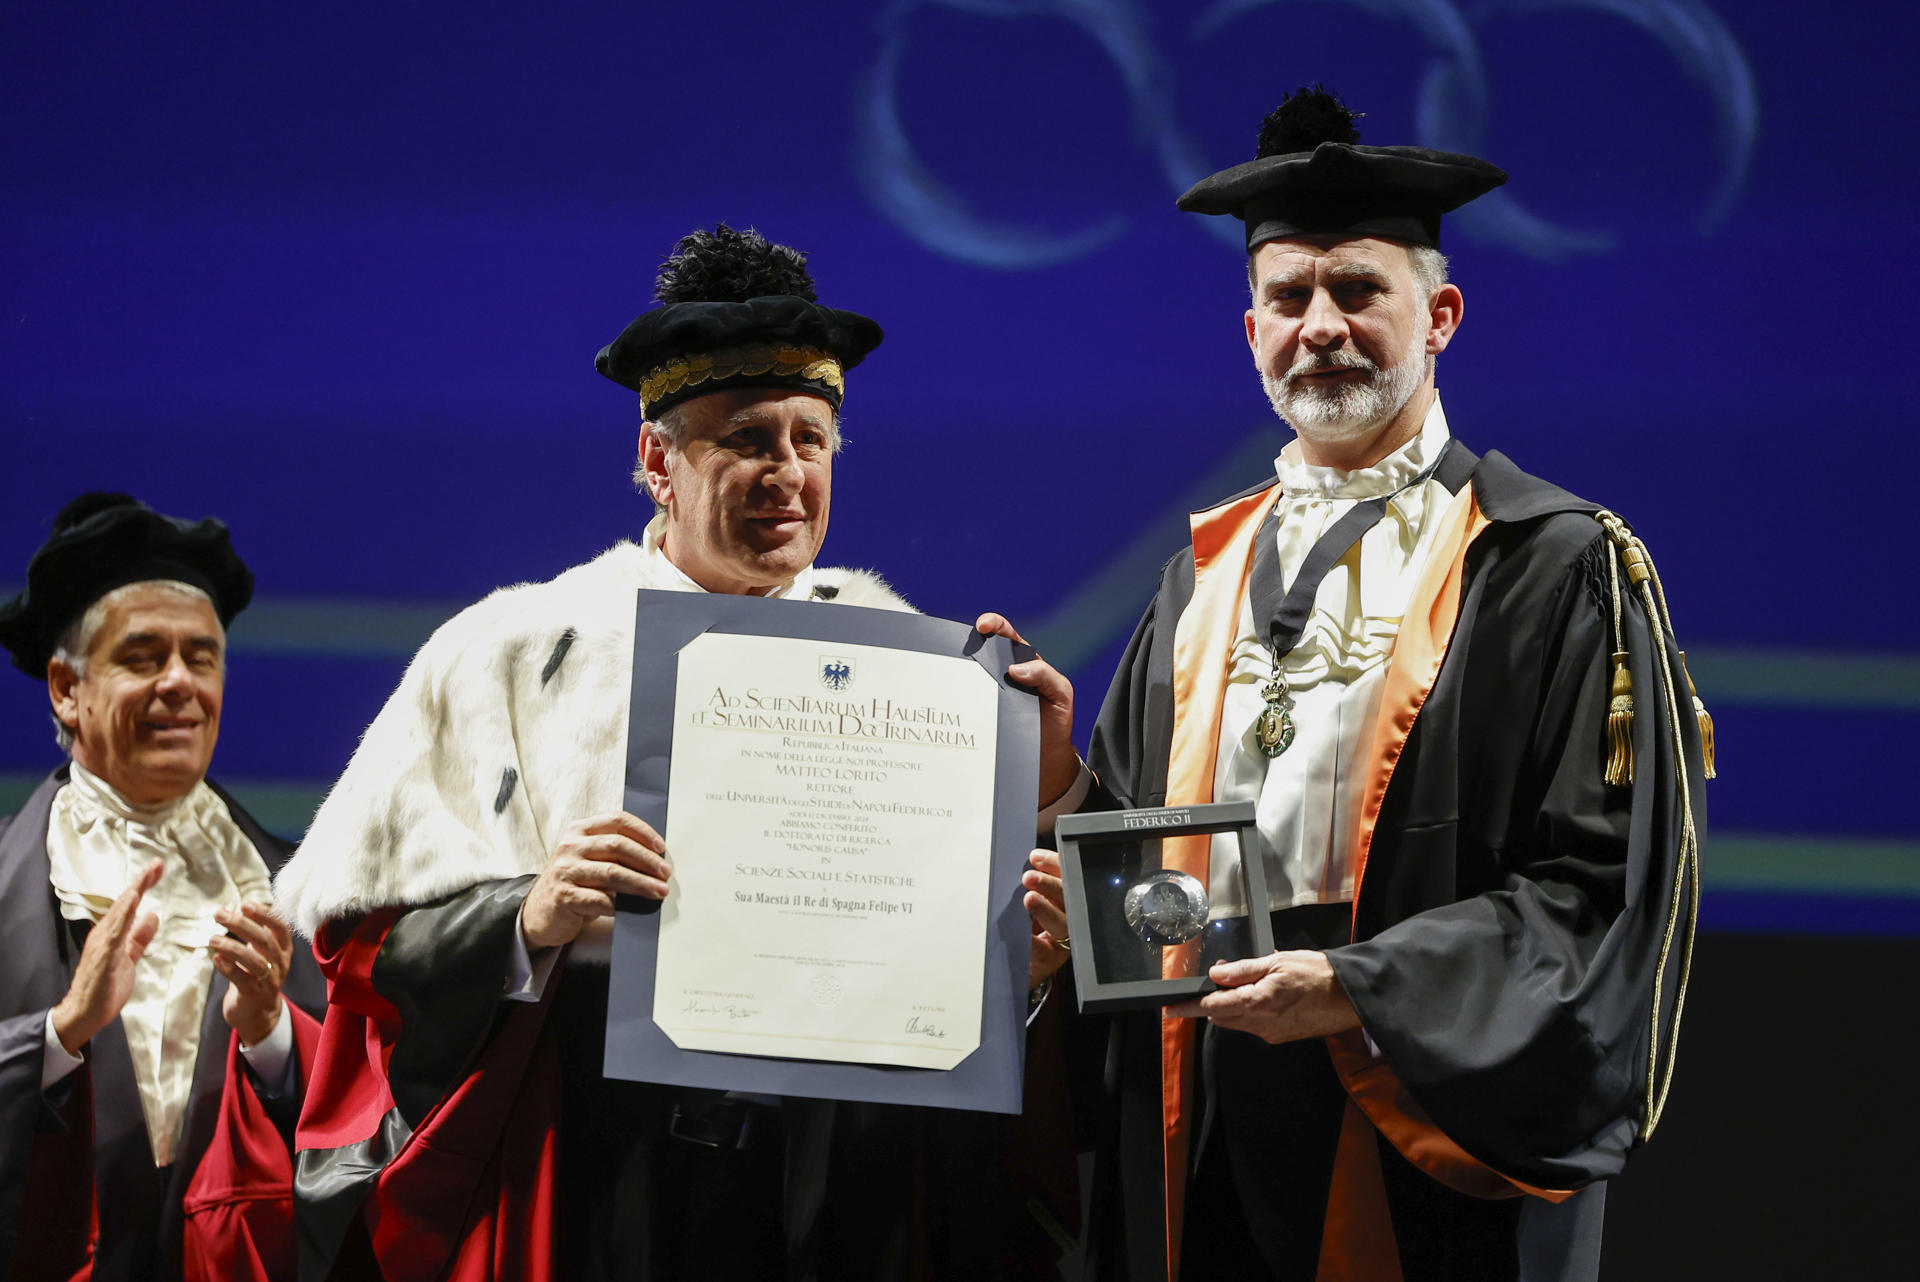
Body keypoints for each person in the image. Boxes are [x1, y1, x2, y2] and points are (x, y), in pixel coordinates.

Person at [989, 88, 1712, 1281]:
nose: (1320, 324)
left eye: (1357, 290)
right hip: (1205, 1095)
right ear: (1251, 332)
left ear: (1441, 314)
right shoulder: (1201, 574)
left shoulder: (1552, 565)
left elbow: (1597, 896)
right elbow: (1135, 885)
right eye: (1288, 297)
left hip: (1417, 1100)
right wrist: (1068, 791)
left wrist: (1356, 986)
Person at [275, 225, 1077, 1282]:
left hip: (854, 1170)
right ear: (659, 460)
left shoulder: (914, 670)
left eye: (811, 438)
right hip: (608, 1165)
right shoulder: (514, 651)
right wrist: (528, 916)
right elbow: (360, 950)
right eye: (747, 438)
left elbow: (977, 985)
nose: (787, 473)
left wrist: (1045, 793)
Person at [0, 493, 326, 1282]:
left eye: (201, 656)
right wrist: (60, 1034)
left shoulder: (303, 890)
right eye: (142, 657)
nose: (179, 682)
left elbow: (363, 1126)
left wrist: (271, 1036)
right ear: (65, 690)